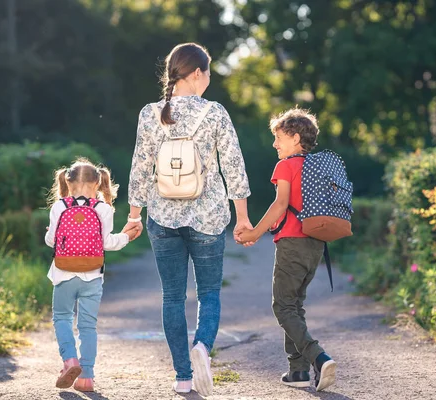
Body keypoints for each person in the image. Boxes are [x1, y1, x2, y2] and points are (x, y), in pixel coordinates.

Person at [123, 42, 252, 396]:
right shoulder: (214, 113)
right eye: (208, 73)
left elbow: (140, 167)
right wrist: (242, 218)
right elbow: (234, 168)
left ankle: (182, 376)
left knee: (172, 297)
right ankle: (202, 347)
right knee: (209, 292)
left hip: (162, 218)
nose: (208, 79)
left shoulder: (150, 113)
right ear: (197, 74)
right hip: (208, 217)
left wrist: (135, 214)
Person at [235, 108, 337, 392]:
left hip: (292, 244)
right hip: (316, 245)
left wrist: (254, 231)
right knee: (294, 305)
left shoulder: (287, 166)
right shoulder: (318, 166)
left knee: (282, 306)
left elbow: (281, 204)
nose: (274, 144)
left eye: (278, 137)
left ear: (294, 138)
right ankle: (298, 371)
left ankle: (319, 357)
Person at [45, 158, 140, 392]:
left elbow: (51, 242)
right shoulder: (103, 209)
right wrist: (127, 236)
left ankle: (70, 361)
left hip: (64, 274)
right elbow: (108, 243)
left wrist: (50, 233)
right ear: (98, 183)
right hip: (93, 275)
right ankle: (86, 377)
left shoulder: (59, 207)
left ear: (67, 182)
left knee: (62, 318)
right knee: (88, 326)